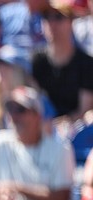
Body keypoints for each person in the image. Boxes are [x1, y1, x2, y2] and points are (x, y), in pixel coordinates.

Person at [0, 86, 74, 200]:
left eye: (20, 110)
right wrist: (1, 197)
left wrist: (18, 188)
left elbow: (62, 198)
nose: (14, 116)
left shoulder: (61, 148)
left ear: (37, 115)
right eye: (10, 109)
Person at [32, 0, 93, 138]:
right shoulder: (36, 61)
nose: (52, 24)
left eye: (58, 17)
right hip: (42, 132)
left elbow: (84, 110)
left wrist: (61, 124)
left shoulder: (87, 63)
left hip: (76, 132)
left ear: (71, 23)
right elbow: (35, 102)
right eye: (47, 17)